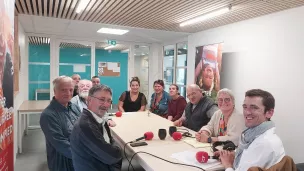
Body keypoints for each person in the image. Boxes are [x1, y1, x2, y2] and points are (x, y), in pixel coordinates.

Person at [218, 89, 285, 171]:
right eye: (245, 107)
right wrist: (233, 154)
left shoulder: (264, 144)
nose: (247, 112)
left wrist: (227, 165)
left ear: (269, 113)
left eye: (254, 108)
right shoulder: (254, 135)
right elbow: (248, 153)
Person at [70, 85, 122, 171]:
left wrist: (114, 149)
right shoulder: (86, 125)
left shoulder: (98, 119)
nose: (106, 104)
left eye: (109, 101)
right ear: (89, 100)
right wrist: (118, 150)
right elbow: (112, 157)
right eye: (102, 99)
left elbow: (110, 142)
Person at [40, 76, 81, 171]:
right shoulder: (48, 115)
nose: (68, 93)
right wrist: (84, 156)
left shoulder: (75, 107)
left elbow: (82, 129)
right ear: (55, 91)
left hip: (79, 156)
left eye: (71, 90)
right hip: (62, 163)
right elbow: (61, 144)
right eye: (64, 90)